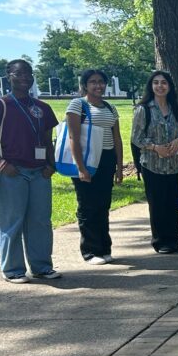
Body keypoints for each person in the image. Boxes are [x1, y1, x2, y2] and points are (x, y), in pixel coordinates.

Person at [0, 59, 60, 283]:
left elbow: (48, 140)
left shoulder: (42, 108)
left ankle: (42, 267)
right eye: (18, 73)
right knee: (11, 222)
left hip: (40, 173)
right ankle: (13, 270)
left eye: (28, 73)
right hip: (12, 172)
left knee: (41, 221)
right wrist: (1, 164)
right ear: (8, 76)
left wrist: (51, 166)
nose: (24, 77)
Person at [66, 69, 124, 264]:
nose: (98, 85)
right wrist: (81, 167)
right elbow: (73, 137)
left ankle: (104, 248)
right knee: (88, 206)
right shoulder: (78, 105)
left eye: (101, 82)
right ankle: (90, 251)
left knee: (103, 205)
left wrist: (119, 166)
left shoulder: (110, 107)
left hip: (106, 159)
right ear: (85, 85)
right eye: (93, 82)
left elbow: (117, 138)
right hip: (87, 159)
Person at [132, 70, 178, 253]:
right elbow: (136, 138)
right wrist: (155, 147)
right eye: (156, 82)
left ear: (169, 86)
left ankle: (173, 239)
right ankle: (160, 241)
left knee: (171, 204)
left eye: (164, 82)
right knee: (157, 204)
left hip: (172, 165)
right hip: (152, 165)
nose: (160, 86)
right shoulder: (144, 109)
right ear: (151, 86)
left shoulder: (175, 108)